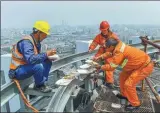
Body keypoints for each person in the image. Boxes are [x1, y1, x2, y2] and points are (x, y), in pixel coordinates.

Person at [95, 38, 154, 111]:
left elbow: (112, 67)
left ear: (111, 46)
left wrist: (101, 67)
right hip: (135, 65)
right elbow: (110, 53)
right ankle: (125, 95)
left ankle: (136, 104)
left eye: (107, 47)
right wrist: (101, 57)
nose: (106, 48)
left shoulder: (119, 51)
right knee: (122, 77)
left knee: (129, 84)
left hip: (144, 67)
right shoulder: (117, 46)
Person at [8, 21, 56, 93]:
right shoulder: (26, 42)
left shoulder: (36, 42)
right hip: (17, 70)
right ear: (39, 32)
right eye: (44, 34)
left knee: (47, 61)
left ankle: (42, 82)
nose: (45, 37)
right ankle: (39, 86)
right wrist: (46, 54)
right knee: (38, 66)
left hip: (26, 66)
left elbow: (36, 57)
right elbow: (31, 59)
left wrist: (47, 57)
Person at [88, 21, 120, 88]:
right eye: (102, 30)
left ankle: (109, 82)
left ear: (108, 29)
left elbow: (118, 45)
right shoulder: (99, 36)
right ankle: (95, 79)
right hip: (101, 51)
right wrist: (91, 48)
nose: (103, 31)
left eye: (104, 30)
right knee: (95, 61)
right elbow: (95, 42)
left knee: (109, 64)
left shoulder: (113, 36)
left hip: (110, 52)